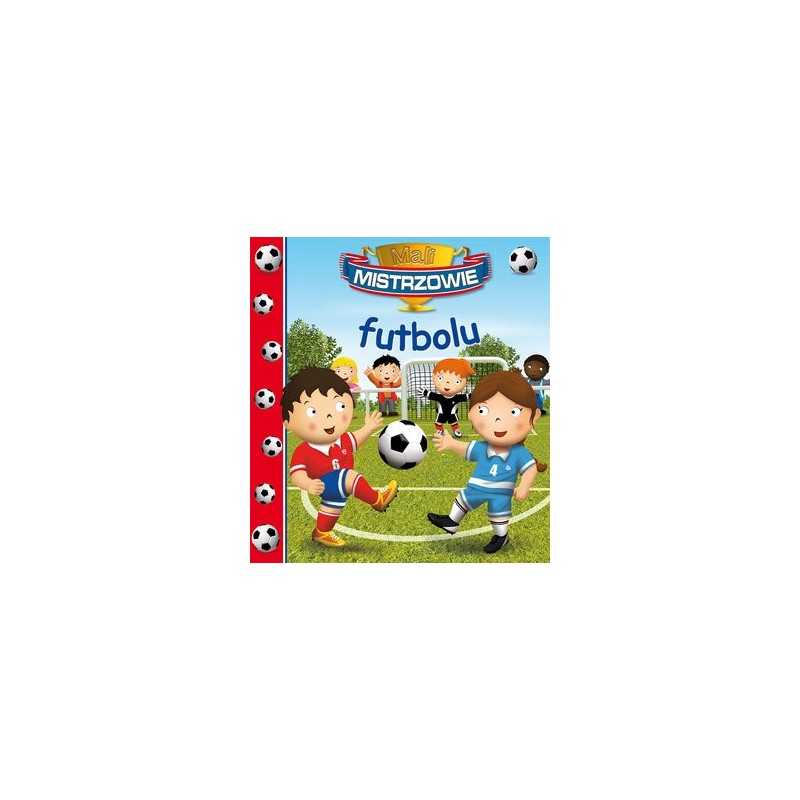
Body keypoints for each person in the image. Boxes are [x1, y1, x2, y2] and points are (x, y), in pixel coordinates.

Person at [427, 370, 547, 554]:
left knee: (497, 516)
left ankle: (501, 536)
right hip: (476, 488)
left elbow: (530, 469)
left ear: (534, 416)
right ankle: (452, 522)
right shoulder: (482, 447)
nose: (498, 420)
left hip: (500, 493)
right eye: (483, 411)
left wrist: (524, 487)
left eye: (514, 412)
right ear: (472, 415)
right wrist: (450, 443)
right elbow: (465, 448)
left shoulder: (519, 453)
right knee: (463, 499)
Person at [282, 368, 398, 548]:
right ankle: (377, 500)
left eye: (339, 407)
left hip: (337, 487)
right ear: (288, 423)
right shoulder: (303, 451)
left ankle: (321, 532)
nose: (329, 417)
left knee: (333, 506)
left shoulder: (342, 440)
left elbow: (356, 438)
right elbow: (297, 474)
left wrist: (368, 428)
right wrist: (308, 484)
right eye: (312, 412)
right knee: (348, 476)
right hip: (323, 483)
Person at [416, 357, 475, 437]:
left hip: (452, 413)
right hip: (442, 413)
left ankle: (456, 430)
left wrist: (473, 394)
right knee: (438, 423)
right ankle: (440, 430)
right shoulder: (439, 397)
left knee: (454, 422)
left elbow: (467, 397)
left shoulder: (457, 397)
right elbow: (431, 395)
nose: (447, 383)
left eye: (457, 381)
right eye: (440, 378)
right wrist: (425, 392)